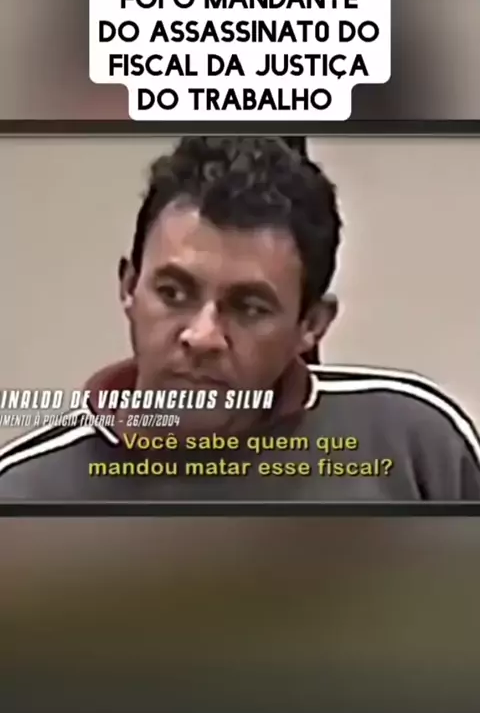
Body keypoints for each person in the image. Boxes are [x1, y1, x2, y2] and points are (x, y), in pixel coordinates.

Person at [0, 136, 479, 501]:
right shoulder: (25, 491)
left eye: (249, 307)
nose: (201, 336)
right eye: (173, 293)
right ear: (129, 287)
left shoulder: (412, 445)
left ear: (312, 324)